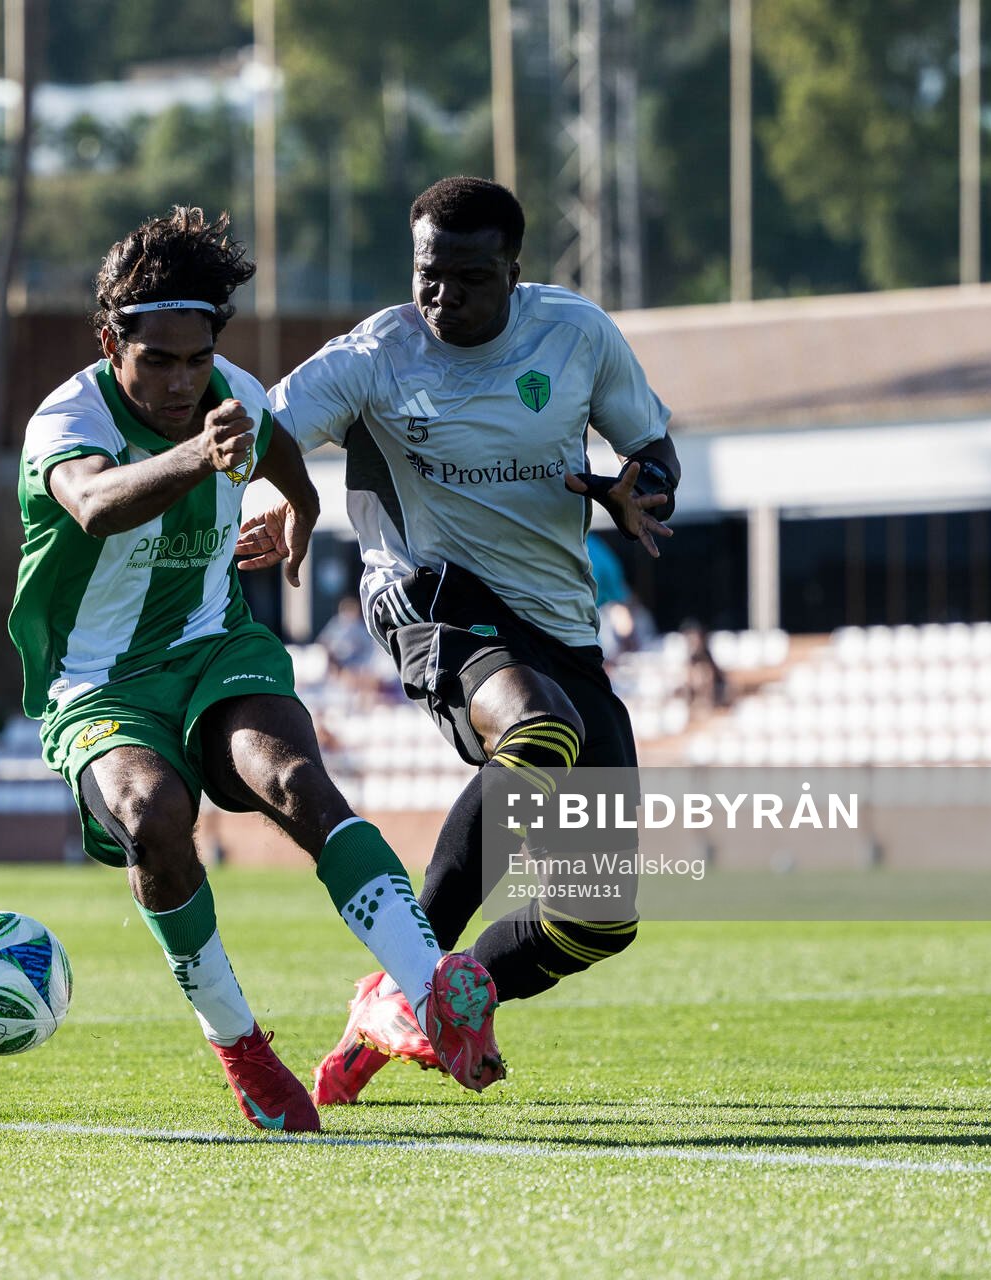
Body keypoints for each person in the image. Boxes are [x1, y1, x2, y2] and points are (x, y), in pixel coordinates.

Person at [6, 207, 504, 1133]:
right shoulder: (66, 419)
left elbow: (275, 446)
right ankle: (241, 1047)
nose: (182, 381)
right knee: (155, 817)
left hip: (215, 649)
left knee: (295, 779)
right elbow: (95, 507)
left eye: (197, 360)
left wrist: (300, 508)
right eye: (159, 361)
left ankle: (431, 991)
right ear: (112, 340)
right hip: (99, 683)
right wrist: (203, 452)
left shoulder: (230, 392)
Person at [241, 176, 679, 1104]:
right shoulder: (375, 356)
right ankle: (416, 978)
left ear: (515, 273)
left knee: (597, 919)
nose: (440, 297)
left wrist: (635, 486)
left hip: (556, 621)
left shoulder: (576, 335)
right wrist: (277, 496)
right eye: (426, 275)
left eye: (468, 279)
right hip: (429, 593)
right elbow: (261, 435)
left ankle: (413, 1006)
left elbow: (653, 453)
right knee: (537, 731)